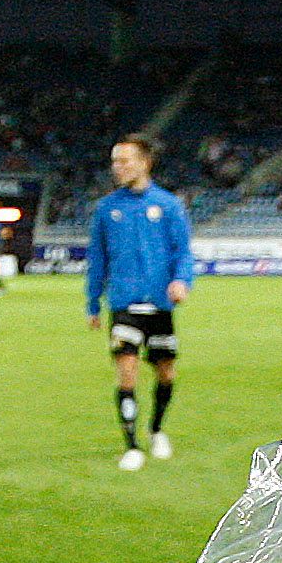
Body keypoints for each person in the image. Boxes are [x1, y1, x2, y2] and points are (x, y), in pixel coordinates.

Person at [83, 133, 193, 470]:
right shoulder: (107, 208)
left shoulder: (169, 205)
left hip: (159, 304)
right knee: (127, 373)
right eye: (114, 161)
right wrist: (92, 304)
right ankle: (131, 446)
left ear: (145, 162)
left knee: (166, 372)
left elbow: (182, 252)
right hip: (123, 304)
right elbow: (97, 259)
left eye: (124, 161)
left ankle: (157, 430)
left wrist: (181, 281)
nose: (117, 167)